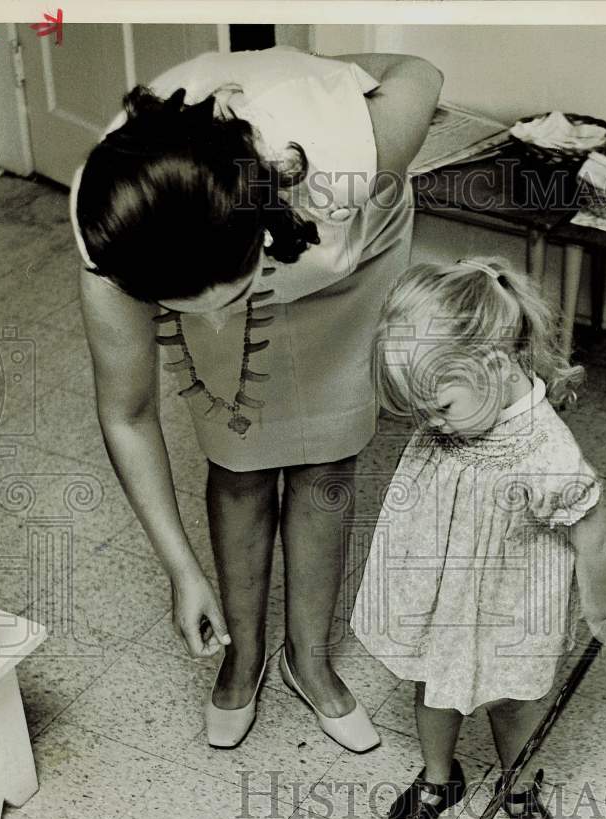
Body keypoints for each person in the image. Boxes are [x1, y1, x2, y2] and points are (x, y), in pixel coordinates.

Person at [72, 47, 443, 751]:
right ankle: (245, 655)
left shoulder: (348, 152)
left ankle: (310, 660)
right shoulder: (116, 227)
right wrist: (181, 573)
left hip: (350, 258)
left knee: (330, 459)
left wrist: (321, 66)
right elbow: (127, 412)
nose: (207, 322)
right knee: (239, 460)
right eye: (182, 310)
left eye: (231, 298)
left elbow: (419, 69)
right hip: (211, 252)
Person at [349, 255, 606, 819]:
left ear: (493, 365)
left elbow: (594, 536)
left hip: (511, 598)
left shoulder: (545, 451)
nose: (430, 424)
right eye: (420, 412)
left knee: (513, 698)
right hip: (443, 584)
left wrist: (602, 609)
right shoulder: (456, 413)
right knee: (434, 686)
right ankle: (438, 777)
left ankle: (521, 785)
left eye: (438, 408)